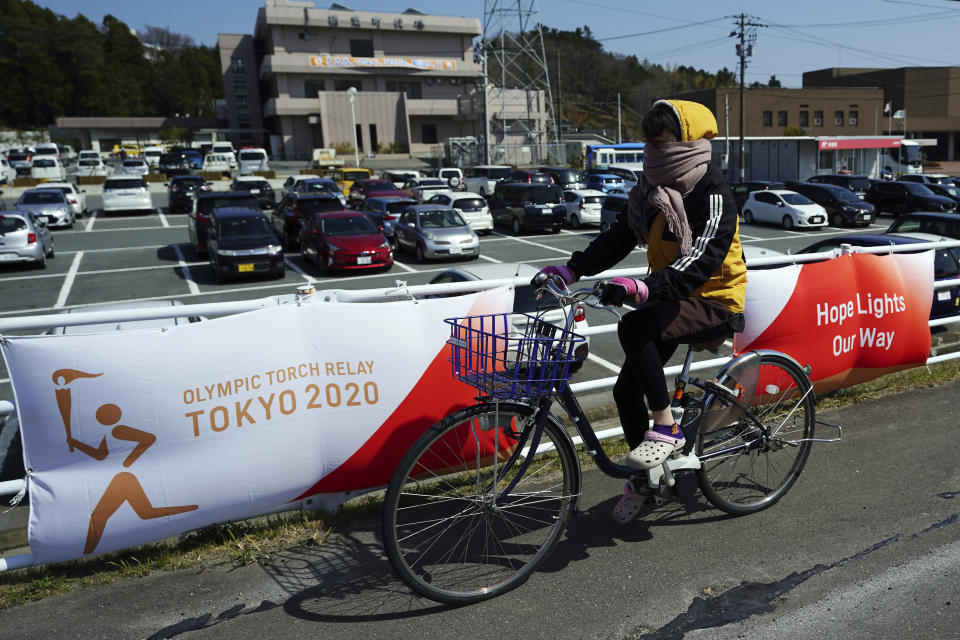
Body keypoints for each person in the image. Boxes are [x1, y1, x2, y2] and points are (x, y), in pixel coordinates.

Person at [535, 99, 747, 524]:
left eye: (663, 145)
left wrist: (644, 287)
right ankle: (647, 481)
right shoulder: (650, 189)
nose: (654, 154)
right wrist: (573, 268)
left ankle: (666, 428)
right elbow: (618, 237)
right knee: (624, 390)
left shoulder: (713, 192)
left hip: (715, 298)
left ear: (688, 143)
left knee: (635, 325)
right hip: (673, 294)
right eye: (649, 145)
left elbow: (701, 262)